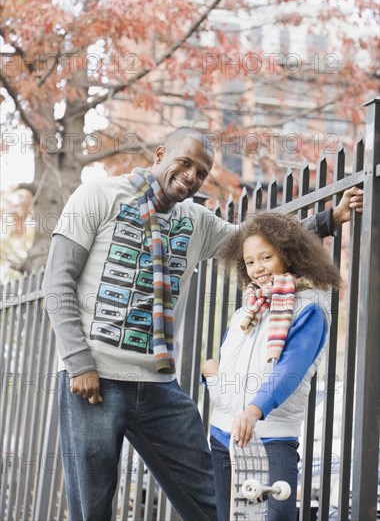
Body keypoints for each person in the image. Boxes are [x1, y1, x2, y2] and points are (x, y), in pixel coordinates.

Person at [42, 127, 362, 521]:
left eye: (202, 172)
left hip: (157, 384)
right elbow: (56, 283)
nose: (192, 176)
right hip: (94, 379)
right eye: (185, 162)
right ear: (161, 153)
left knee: (213, 500)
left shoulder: (196, 220)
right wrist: (78, 362)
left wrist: (329, 219)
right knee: (91, 509)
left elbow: (259, 242)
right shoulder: (98, 195)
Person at [201, 211, 342, 521]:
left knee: (275, 516)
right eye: (250, 262)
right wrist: (211, 378)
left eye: (266, 257)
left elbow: (290, 370)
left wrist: (255, 410)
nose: (258, 268)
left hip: (272, 435)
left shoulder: (308, 309)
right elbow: (229, 370)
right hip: (224, 437)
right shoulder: (245, 312)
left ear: (288, 256)